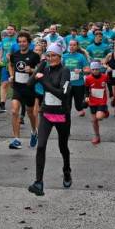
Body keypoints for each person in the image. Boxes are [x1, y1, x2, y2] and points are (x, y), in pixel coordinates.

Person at [27, 43, 72, 197]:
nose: (51, 58)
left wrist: (44, 82)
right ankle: (38, 182)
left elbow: (62, 94)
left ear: (60, 57)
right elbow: (29, 83)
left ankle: (67, 170)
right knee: (41, 146)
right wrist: (39, 67)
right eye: (49, 55)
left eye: (54, 55)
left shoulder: (65, 71)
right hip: (46, 113)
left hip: (61, 114)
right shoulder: (44, 68)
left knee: (63, 147)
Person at [8, 31, 41, 149]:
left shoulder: (34, 56)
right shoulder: (15, 55)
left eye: (24, 42)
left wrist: (32, 70)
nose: (22, 44)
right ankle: (16, 139)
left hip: (29, 88)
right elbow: (10, 65)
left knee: (30, 112)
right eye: (20, 42)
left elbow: (40, 70)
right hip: (17, 87)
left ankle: (34, 131)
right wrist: (11, 75)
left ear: (28, 42)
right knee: (14, 111)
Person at [62, 39, 89, 117]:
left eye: (74, 45)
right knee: (67, 102)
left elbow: (87, 69)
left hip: (78, 84)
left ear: (77, 46)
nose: (72, 47)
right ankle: (67, 115)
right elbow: (60, 68)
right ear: (68, 46)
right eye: (70, 45)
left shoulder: (81, 56)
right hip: (67, 83)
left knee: (78, 104)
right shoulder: (64, 56)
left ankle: (80, 108)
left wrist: (80, 70)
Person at [85, 62, 110, 145]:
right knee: (94, 120)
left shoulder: (104, 77)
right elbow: (86, 88)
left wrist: (112, 95)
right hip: (92, 101)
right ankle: (97, 136)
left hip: (102, 100)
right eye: (93, 69)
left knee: (99, 117)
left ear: (99, 69)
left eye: (97, 69)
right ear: (91, 70)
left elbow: (109, 85)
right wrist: (86, 97)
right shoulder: (88, 78)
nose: (95, 71)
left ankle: (105, 112)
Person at [0, 25, 18, 114]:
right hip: (5, 65)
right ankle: (2, 103)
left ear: (15, 31)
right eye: (8, 29)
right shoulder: (3, 40)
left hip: (15, 65)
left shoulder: (17, 40)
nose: (9, 31)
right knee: (4, 83)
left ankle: (18, 102)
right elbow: (1, 53)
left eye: (11, 29)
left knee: (15, 84)